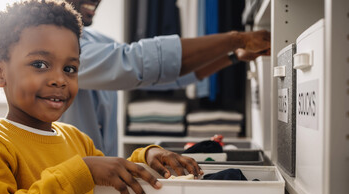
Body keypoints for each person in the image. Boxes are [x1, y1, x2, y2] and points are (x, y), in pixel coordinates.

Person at [0, 1, 202, 194]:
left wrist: (147, 159)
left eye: (70, 69)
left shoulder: (77, 139)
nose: (59, 80)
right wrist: (79, 173)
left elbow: (110, 176)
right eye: (40, 64)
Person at [59, 0, 271, 157]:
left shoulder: (99, 40)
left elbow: (165, 76)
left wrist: (232, 55)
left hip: (102, 183)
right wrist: (236, 39)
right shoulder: (56, 47)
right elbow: (135, 63)